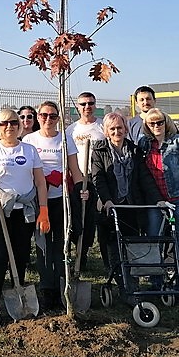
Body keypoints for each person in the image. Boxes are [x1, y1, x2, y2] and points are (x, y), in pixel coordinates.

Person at [0, 108, 50, 329]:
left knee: (20, 256)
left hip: (24, 211)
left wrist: (43, 209)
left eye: (14, 123)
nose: (9, 127)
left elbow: (40, 182)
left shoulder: (30, 150)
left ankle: (18, 292)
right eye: (4, 123)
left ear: (19, 126)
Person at [90, 112, 161, 302]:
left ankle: (132, 283)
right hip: (110, 207)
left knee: (132, 246)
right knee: (113, 246)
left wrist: (157, 199)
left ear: (126, 129)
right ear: (106, 131)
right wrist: (107, 200)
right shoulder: (99, 150)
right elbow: (98, 178)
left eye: (119, 128)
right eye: (112, 129)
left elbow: (144, 178)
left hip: (131, 206)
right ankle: (122, 283)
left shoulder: (134, 150)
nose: (116, 131)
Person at [22, 101, 83, 311]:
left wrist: (83, 187)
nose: (48, 120)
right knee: (43, 246)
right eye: (44, 115)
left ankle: (60, 287)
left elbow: (75, 170)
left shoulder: (65, 139)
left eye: (53, 116)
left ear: (59, 118)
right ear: (38, 117)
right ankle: (47, 289)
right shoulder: (29, 140)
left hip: (60, 199)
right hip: (39, 201)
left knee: (59, 246)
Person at [138, 108, 179, 293]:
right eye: (152, 123)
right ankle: (156, 283)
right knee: (154, 242)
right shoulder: (144, 144)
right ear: (147, 126)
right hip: (156, 202)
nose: (157, 126)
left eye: (160, 122)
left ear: (166, 122)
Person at [66, 91, 105, 270]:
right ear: (78, 107)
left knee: (94, 219)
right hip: (78, 179)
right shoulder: (71, 130)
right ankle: (76, 252)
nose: (87, 107)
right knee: (78, 217)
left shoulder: (102, 127)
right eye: (83, 104)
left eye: (90, 103)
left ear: (95, 105)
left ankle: (92, 251)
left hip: (98, 177)